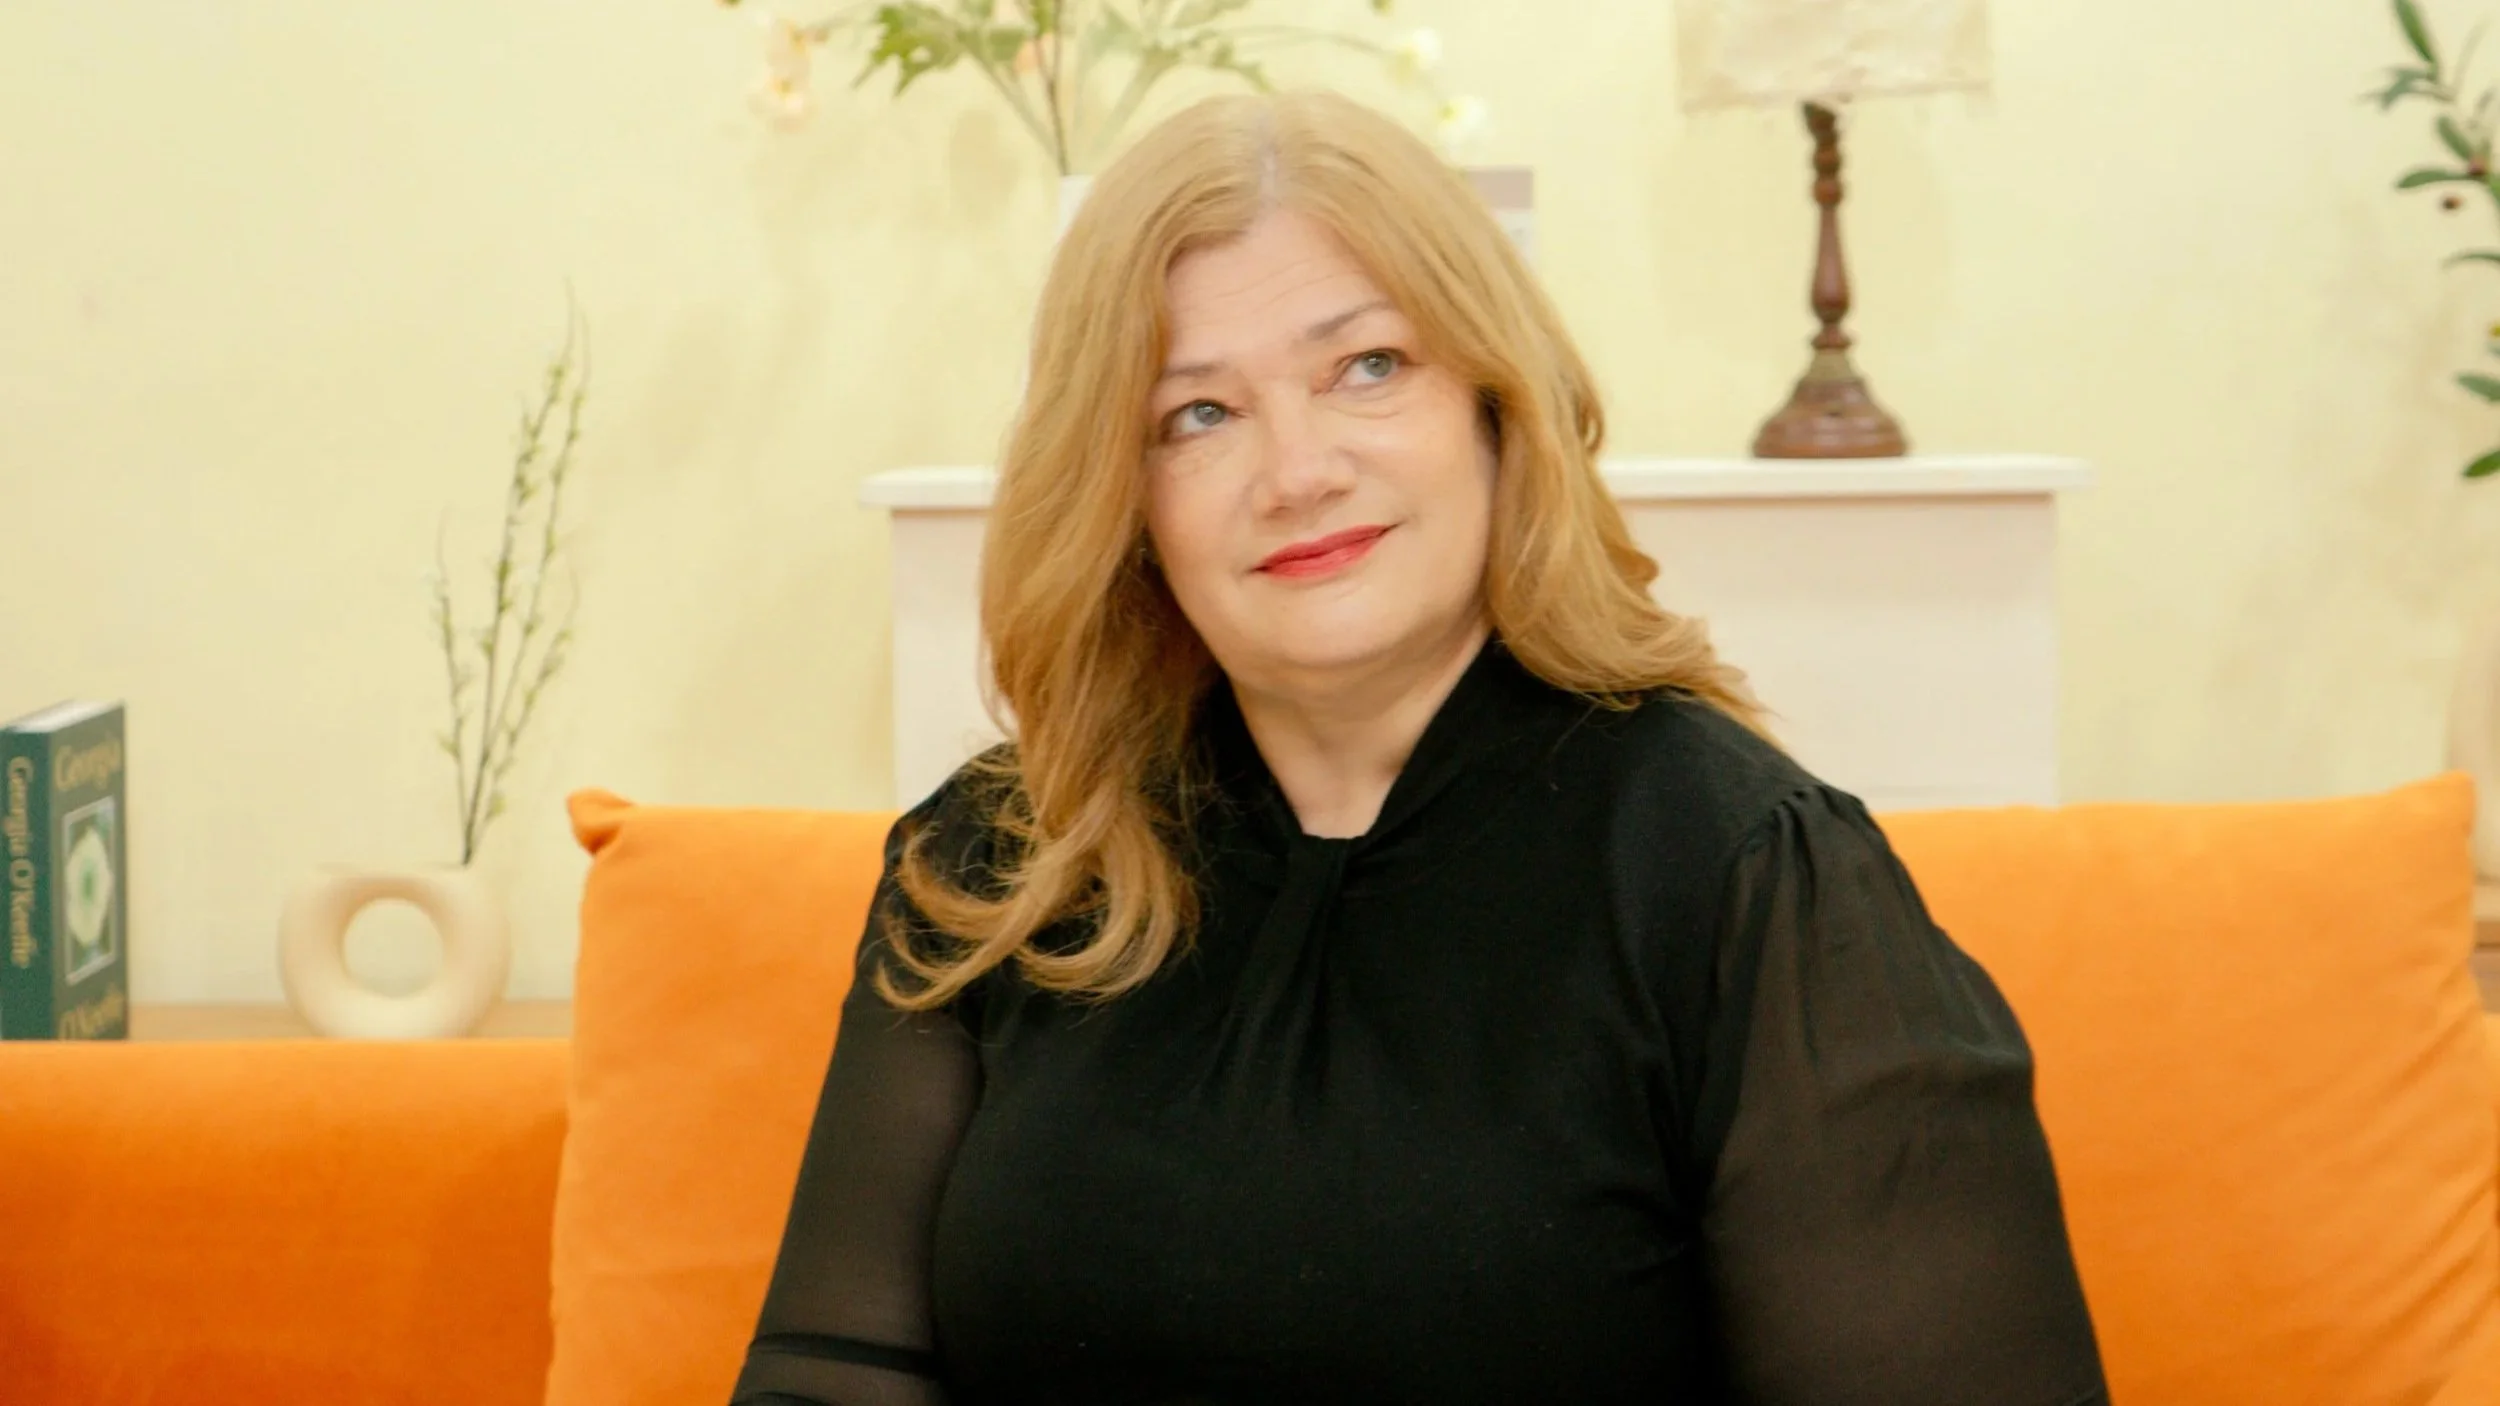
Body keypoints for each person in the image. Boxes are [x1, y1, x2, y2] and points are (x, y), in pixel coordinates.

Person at [732, 88, 2108, 1406]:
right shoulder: (997, 861)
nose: (1298, 469)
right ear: (1123, 496)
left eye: (1369, 366)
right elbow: (827, 1373)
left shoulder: (1745, 876)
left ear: (1494, 406)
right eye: (1197, 413)